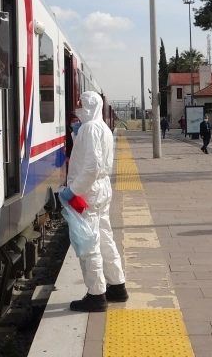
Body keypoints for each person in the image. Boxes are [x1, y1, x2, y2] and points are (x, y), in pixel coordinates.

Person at [59, 91, 127, 312]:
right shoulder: (102, 127)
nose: (77, 107)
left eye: (80, 104)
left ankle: (96, 295)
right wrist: (76, 136)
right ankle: (117, 286)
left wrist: (72, 190)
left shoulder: (89, 128)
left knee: (89, 243)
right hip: (101, 189)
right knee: (105, 238)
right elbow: (94, 159)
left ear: (88, 106)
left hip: (88, 191)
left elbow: (91, 166)